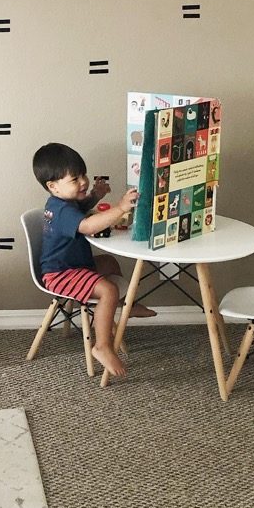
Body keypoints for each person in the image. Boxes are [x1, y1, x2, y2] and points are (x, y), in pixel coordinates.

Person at [32, 142, 155, 378]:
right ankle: (102, 346)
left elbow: (80, 209)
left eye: (83, 175)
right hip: (61, 274)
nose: (83, 182)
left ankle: (121, 305)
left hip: (72, 266)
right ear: (53, 186)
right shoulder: (61, 210)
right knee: (108, 289)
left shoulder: (63, 203)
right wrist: (119, 208)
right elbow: (87, 226)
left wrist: (95, 196)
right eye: (75, 179)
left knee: (109, 262)